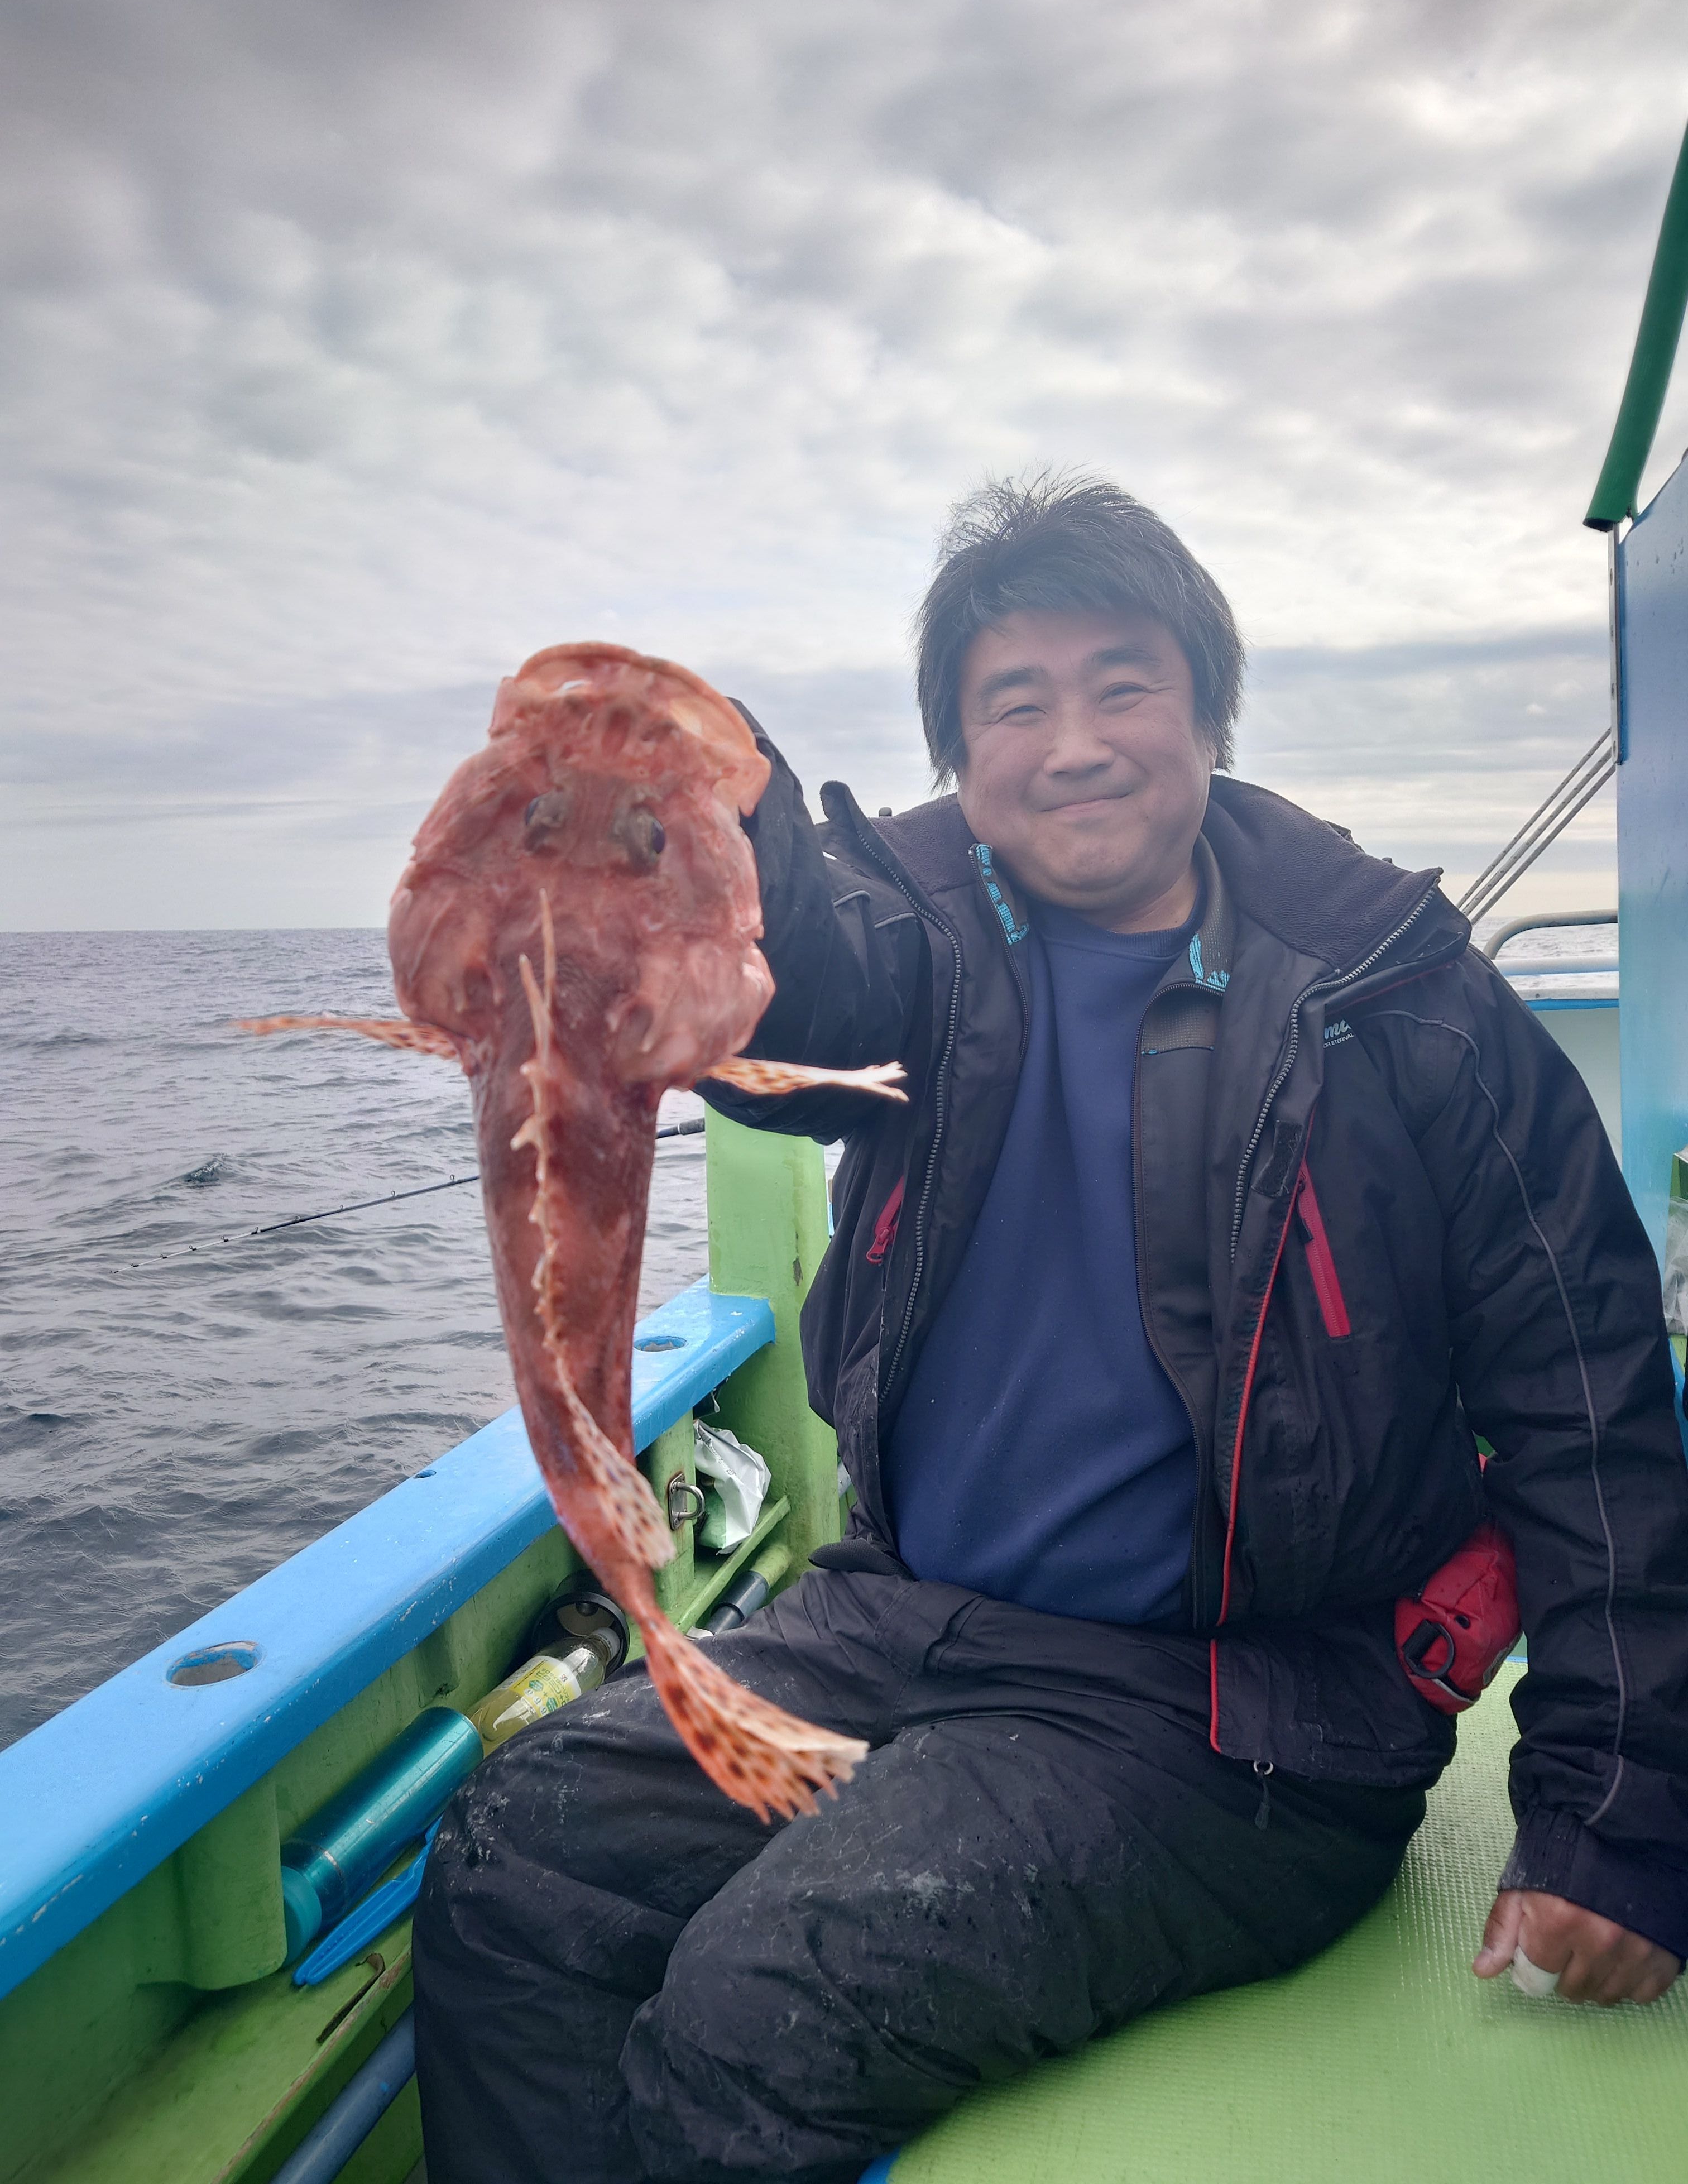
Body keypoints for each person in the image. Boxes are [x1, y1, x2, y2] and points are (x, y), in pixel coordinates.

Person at [413, 475, 1688, 2184]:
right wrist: (718, 802)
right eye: (1015, 703)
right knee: (517, 1853)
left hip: (1236, 1716)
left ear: (1207, 712)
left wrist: (1617, 1822)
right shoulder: (927, 940)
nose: (1074, 744)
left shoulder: (1398, 997)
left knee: (763, 2004)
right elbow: (802, 980)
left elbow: (1589, 1397)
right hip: (894, 1623)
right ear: (960, 754)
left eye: (1122, 685)